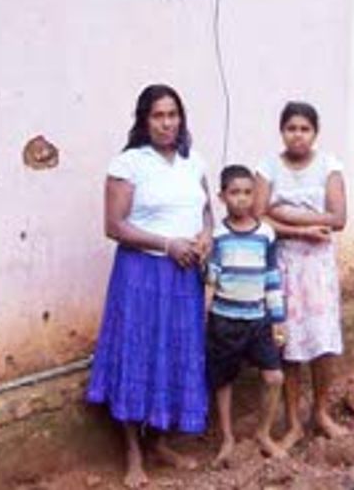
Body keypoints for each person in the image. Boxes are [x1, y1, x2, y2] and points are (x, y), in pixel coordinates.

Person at [87, 84, 214, 487]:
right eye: (158, 116)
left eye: (173, 114)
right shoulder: (128, 164)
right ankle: (133, 453)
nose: (167, 123)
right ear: (144, 121)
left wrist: (206, 236)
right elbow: (115, 226)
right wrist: (167, 243)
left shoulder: (194, 162)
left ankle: (160, 442)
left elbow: (208, 210)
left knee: (175, 354)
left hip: (184, 276)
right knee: (137, 354)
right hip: (142, 274)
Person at [254, 101, 348, 449]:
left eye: (304, 129)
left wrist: (283, 212)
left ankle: (321, 414)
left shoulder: (329, 166)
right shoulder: (267, 167)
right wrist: (303, 227)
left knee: (323, 342)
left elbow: (338, 219)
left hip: (318, 267)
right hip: (285, 265)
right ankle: (293, 422)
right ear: (282, 131)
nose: (298, 135)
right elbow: (258, 216)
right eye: (291, 128)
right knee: (289, 343)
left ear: (315, 133)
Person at [205, 164, 288, 467]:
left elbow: (271, 276)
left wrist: (278, 319)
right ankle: (227, 437)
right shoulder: (217, 235)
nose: (241, 199)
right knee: (223, 380)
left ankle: (263, 434)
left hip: (258, 320)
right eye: (234, 193)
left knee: (274, 376)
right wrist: (205, 316)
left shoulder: (266, 234)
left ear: (255, 195)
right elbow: (211, 279)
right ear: (222, 196)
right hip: (224, 320)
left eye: (248, 192)